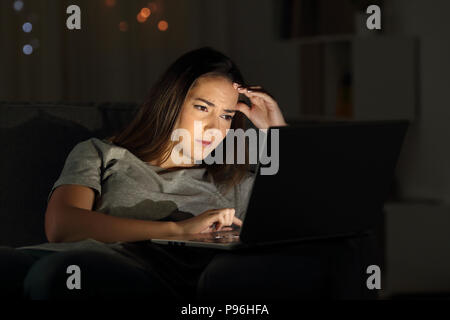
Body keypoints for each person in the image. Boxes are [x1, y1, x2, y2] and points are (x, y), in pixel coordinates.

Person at [0, 46, 371, 300]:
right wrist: (177, 230)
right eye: (203, 107)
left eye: (227, 116)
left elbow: (315, 220)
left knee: (55, 277)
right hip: (50, 253)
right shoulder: (101, 153)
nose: (215, 127)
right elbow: (63, 226)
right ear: (171, 102)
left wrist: (277, 132)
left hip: (135, 272)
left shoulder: (235, 177)